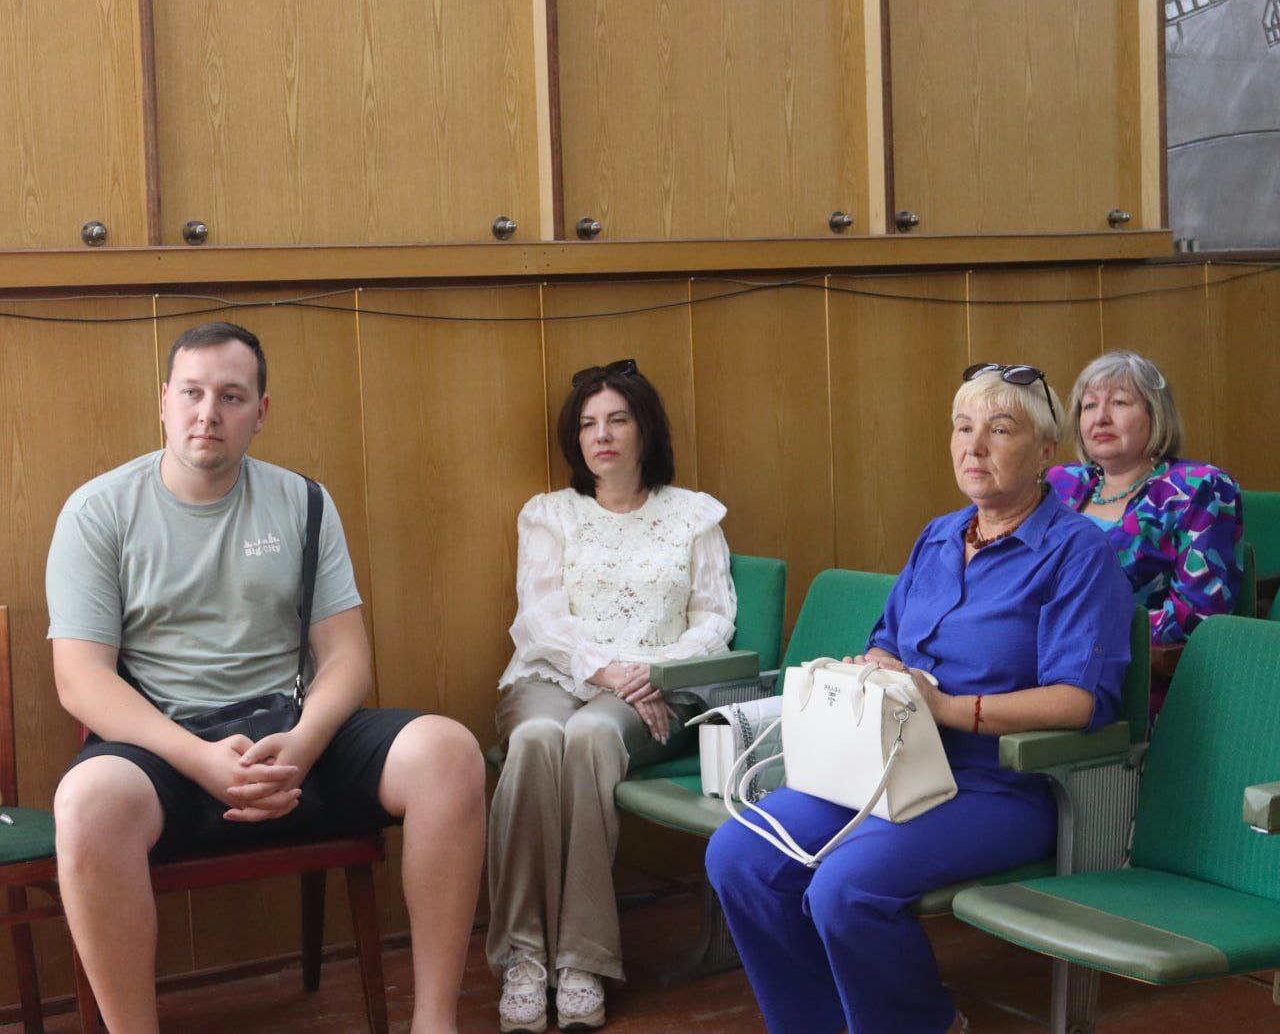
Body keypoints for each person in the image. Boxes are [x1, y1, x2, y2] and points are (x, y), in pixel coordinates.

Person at [47, 322, 485, 1034]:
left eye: (231, 396)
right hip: (164, 746)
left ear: (260, 411)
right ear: (163, 401)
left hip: (291, 733)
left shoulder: (303, 501)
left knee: (450, 752)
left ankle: (436, 1022)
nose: (207, 413)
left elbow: (346, 658)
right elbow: (81, 679)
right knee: (85, 804)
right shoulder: (98, 511)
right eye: (192, 393)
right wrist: (199, 759)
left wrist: (304, 743)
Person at [705, 363, 1132, 1034]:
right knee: (740, 853)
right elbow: (887, 641)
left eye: (1000, 429)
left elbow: (1078, 701)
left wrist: (953, 709)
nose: (974, 446)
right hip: (888, 767)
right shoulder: (938, 536)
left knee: (844, 887)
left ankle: (925, 1024)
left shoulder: (1077, 551)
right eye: (963, 428)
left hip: (1000, 785)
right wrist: (875, 666)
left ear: (1046, 452)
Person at [488, 358, 736, 1033]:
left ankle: (582, 960)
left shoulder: (694, 515)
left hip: (651, 691)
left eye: (617, 420)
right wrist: (609, 671)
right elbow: (539, 620)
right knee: (538, 738)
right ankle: (523, 957)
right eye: (588, 424)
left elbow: (714, 620)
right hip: (552, 678)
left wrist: (649, 671)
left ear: (645, 428)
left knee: (592, 735)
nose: (602, 435)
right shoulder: (549, 514)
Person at [1048, 349, 1243, 643]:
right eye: (1089, 405)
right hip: (1037, 653)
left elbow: (1199, 615)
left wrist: (1081, 633)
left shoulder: (1196, 487)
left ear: (1156, 413)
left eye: (1119, 402)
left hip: (1130, 662)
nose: (1100, 418)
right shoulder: (1061, 483)